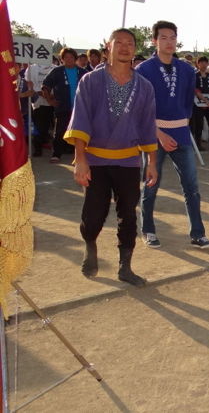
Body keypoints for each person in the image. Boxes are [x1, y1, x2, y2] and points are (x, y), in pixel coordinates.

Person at [63, 28, 158, 287]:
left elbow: (148, 125)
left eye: (130, 43)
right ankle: (90, 246)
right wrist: (80, 159)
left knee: (127, 214)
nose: (125, 47)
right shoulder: (90, 81)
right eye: (120, 43)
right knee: (93, 215)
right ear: (108, 46)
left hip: (128, 160)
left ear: (135, 49)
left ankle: (125, 266)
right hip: (95, 159)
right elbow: (80, 120)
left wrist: (151, 162)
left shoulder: (145, 86)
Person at [135, 20, 209, 249]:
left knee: (192, 187)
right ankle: (148, 230)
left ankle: (198, 233)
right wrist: (158, 133)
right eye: (163, 38)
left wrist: (182, 127)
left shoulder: (187, 69)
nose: (169, 42)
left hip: (181, 133)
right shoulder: (144, 69)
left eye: (172, 37)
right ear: (154, 40)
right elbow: (140, 108)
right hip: (153, 135)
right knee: (151, 184)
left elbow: (187, 102)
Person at [41, 48, 88, 163]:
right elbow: (45, 86)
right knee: (60, 130)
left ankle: (80, 156)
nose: (69, 59)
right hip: (62, 106)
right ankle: (56, 154)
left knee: (80, 132)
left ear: (75, 59)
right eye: (66, 57)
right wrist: (50, 101)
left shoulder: (82, 72)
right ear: (62, 59)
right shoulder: (57, 71)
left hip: (80, 108)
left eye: (71, 57)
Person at [191, 56, 209, 151]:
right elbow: (196, 90)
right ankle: (198, 144)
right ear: (197, 64)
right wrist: (204, 100)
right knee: (198, 125)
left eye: (205, 62)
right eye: (201, 62)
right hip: (198, 104)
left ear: (208, 64)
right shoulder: (194, 76)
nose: (203, 64)